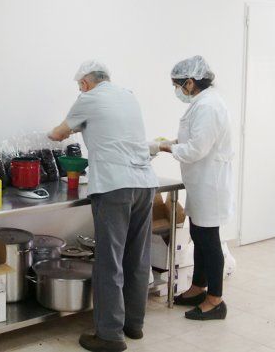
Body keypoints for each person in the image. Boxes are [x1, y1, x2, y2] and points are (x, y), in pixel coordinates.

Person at [49, 60, 158, 352]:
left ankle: (109, 335)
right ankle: (133, 325)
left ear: (85, 83)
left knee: (110, 261)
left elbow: (59, 133)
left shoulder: (88, 98)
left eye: (79, 86)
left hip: (115, 186)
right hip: (145, 183)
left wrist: (50, 134)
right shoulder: (128, 95)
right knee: (137, 257)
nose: (79, 89)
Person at [151, 55, 234, 321]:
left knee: (209, 241)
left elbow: (197, 149)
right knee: (198, 235)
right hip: (201, 182)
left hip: (211, 183)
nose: (177, 91)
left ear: (189, 82)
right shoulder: (202, 104)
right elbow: (196, 138)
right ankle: (197, 289)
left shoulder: (208, 106)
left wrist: (165, 147)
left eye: (177, 86)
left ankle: (215, 301)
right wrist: (173, 141)